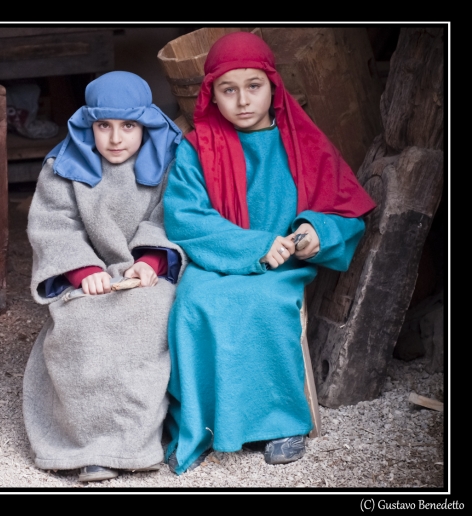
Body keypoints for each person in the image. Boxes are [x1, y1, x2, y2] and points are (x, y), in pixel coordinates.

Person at [162, 31, 377, 475]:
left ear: (273, 87)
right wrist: (255, 245)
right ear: (212, 96)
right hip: (218, 259)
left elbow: (346, 212)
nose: (243, 100)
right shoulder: (197, 147)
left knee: (261, 302)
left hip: (284, 267)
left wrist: (317, 230)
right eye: (228, 90)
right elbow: (186, 219)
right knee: (193, 302)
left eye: (253, 86)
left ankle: (280, 421)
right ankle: (203, 423)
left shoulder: (305, 142)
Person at [23, 71, 186, 483]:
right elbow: (52, 225)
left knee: (147, 322)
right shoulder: (64, 165)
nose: (116, 138)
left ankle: (132, 444)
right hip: (86, 277)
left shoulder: (170, 159)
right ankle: (85, 446)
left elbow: (171, 215)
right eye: (104, 126)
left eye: (128, 126)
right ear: (88, 125)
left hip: (147, 276)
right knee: (81, 328)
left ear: (146, 123)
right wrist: (82, 269)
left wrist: (150, 261)